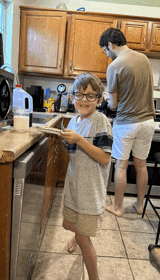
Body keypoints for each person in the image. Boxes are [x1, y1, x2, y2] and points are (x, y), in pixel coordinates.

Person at [60, 73, 113, 280]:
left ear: (99, 100)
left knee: (84, 239)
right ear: (72, 97)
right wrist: (61, 141)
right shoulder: (73, 121)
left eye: (91, 96)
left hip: (90, 192)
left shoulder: (101, 121)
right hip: (74, 187)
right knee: (66, 223)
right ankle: (77, 235)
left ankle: (94, 278)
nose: (84, 100)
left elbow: (104, 158)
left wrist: (80, 140)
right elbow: (73, 153)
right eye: (80, 95)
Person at [99, 27, 155, 217]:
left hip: (127, 123)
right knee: (141, 165)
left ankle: (118, 208)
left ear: (110, 44)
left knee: (121, 166)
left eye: (105, 51)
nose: (107, 55)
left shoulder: (115, 66)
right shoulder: (144, 59)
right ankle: (140, 205)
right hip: (148, 121)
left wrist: (107, 99)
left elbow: (114, 105)